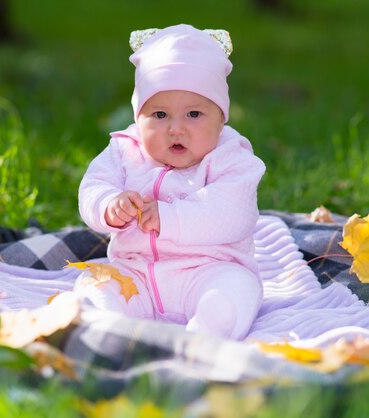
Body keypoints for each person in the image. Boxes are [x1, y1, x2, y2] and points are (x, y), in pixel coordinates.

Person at [76, 24, 266, 340]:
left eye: (193, 114)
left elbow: (233, 213)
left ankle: (203, 339)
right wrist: (109, 205)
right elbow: (93, 185)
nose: (176, 128)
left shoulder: (231, 157)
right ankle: (110, 333)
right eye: (160, 115)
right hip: (136, 273)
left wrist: (170, 217)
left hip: (210, 271)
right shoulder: (125, 150)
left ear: (221, 119)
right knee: (94, 284)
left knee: (235, 293)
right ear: (138, 117)